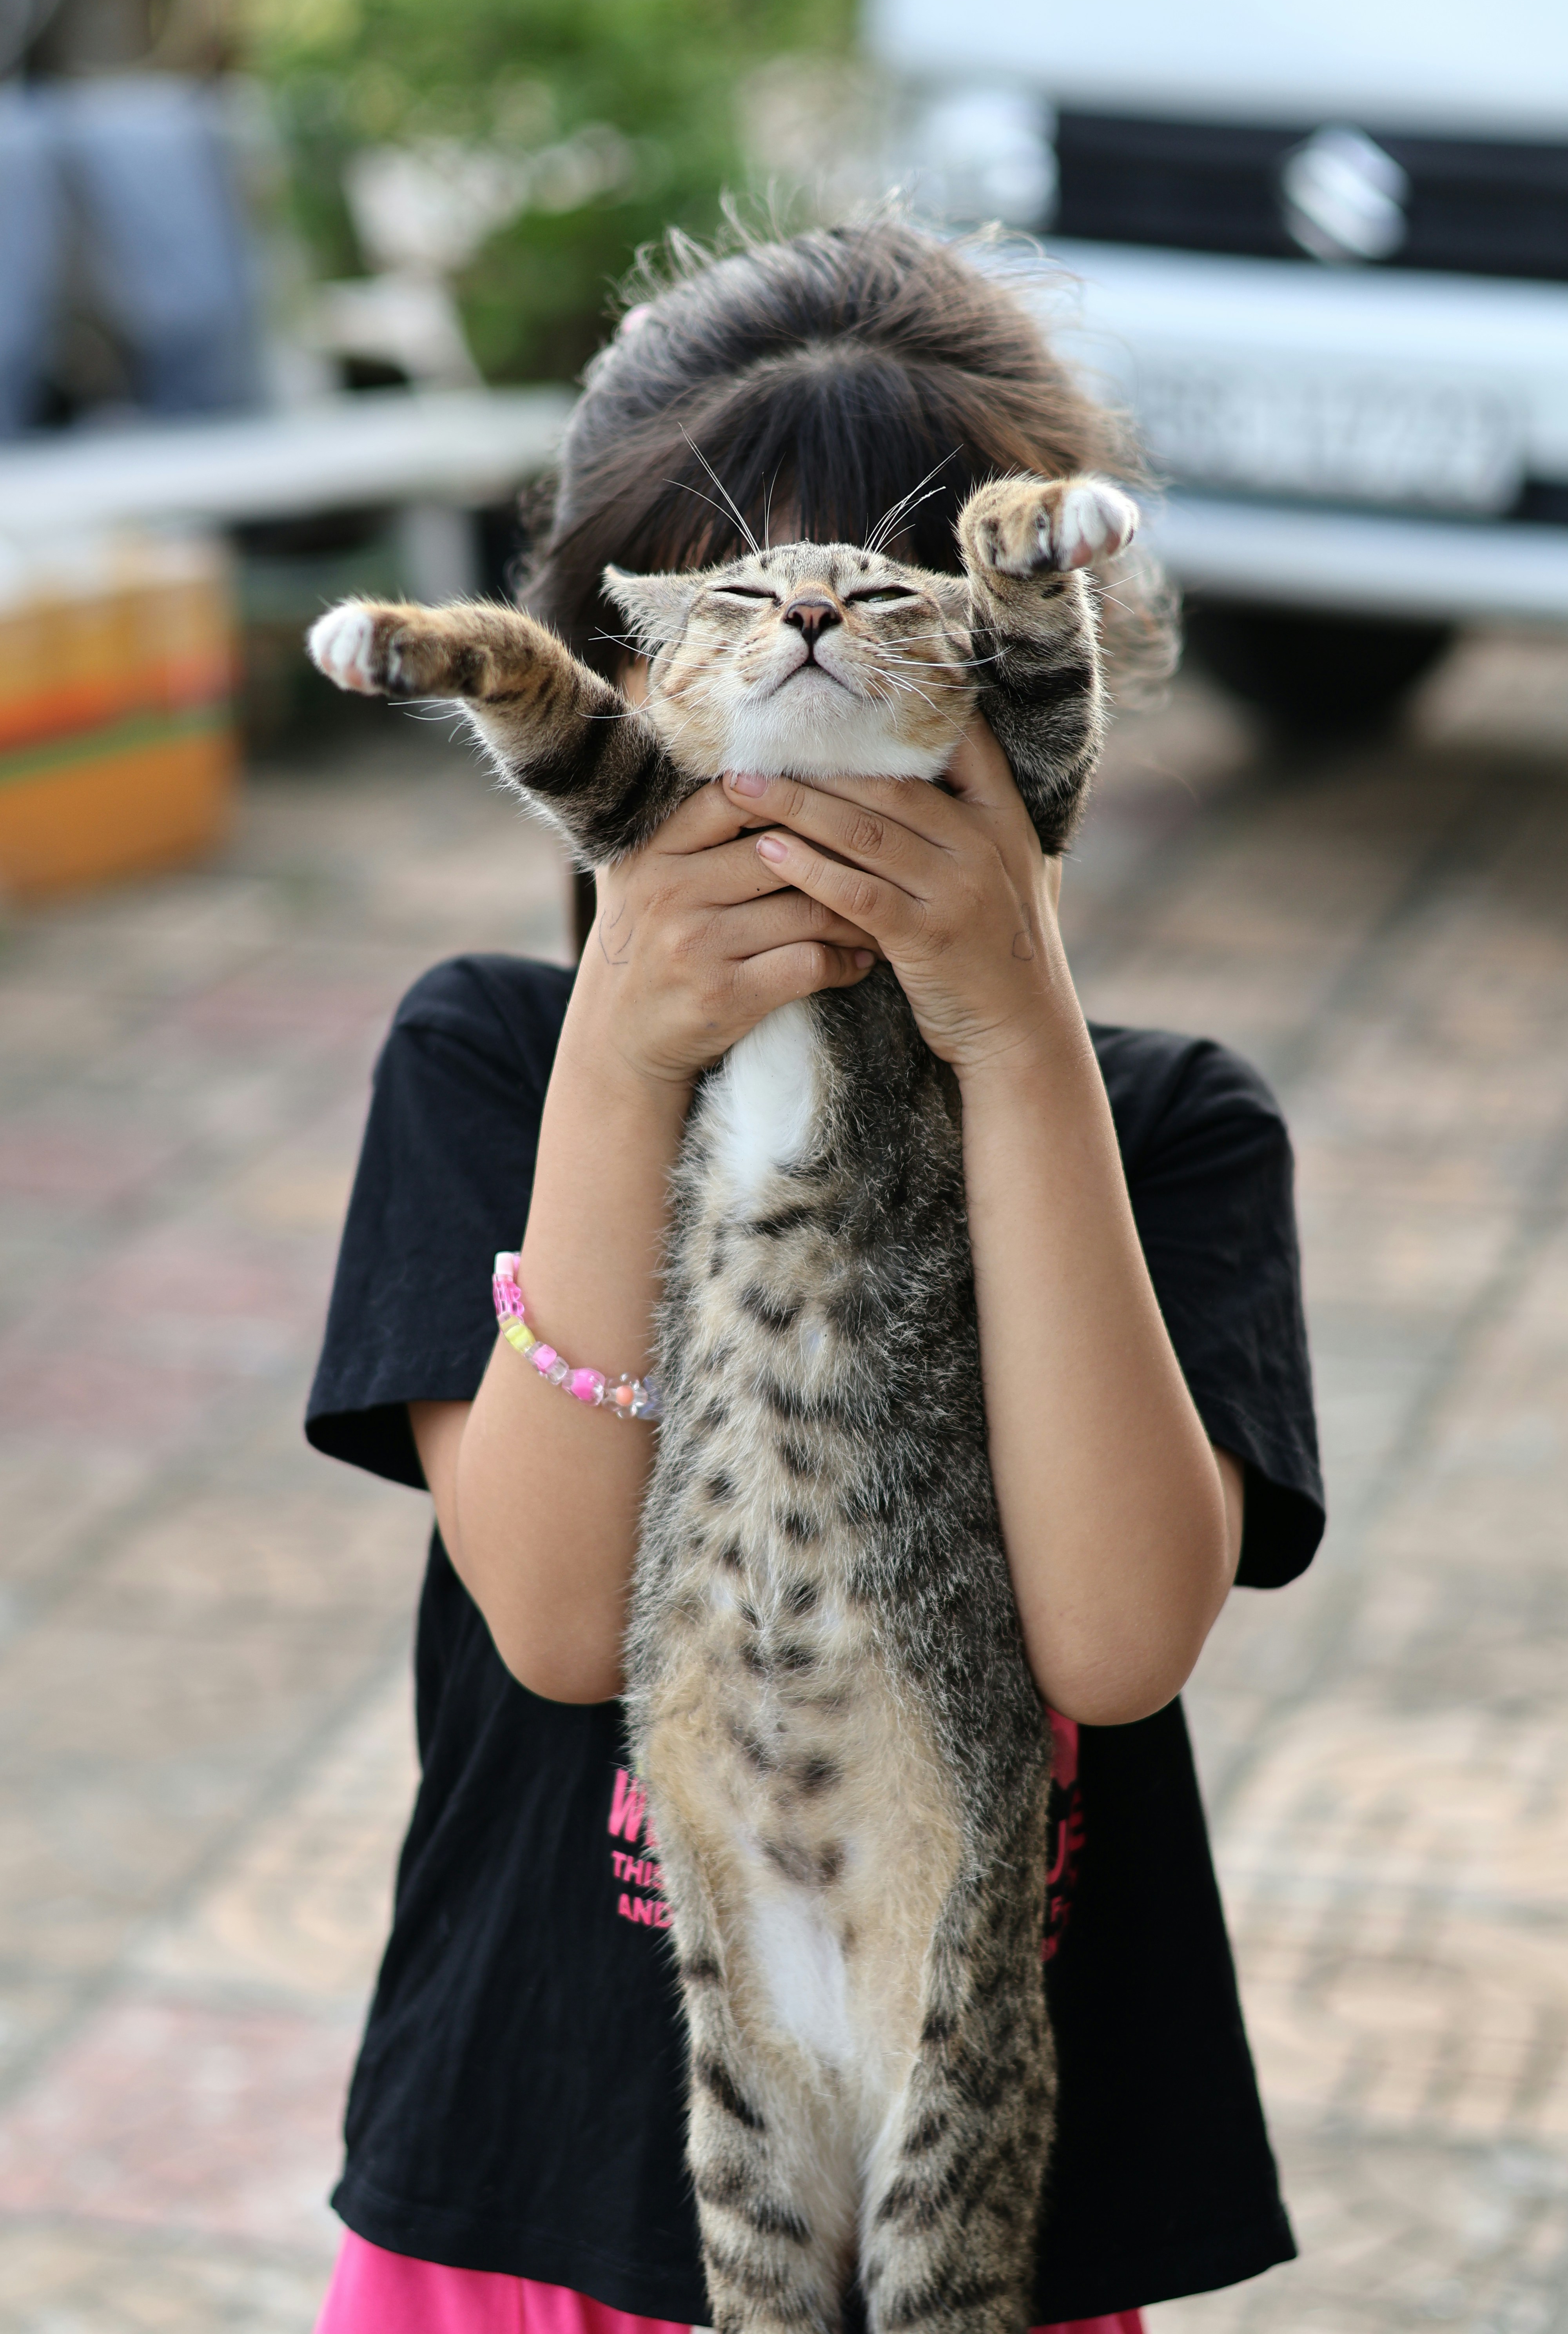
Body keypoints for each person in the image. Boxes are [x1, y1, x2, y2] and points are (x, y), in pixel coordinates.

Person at [304, 216, 1324, 2334]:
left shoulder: (1171, 1129)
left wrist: (1017, 1035)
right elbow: (566, 1622)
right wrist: (626, 1055)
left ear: (1037, 681)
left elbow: (1123, 1643)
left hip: (988, 2220)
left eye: (887, 632)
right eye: (732, 644)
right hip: (541, 2198)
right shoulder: (493, 1068)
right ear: (602, 672)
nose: (796, 711)